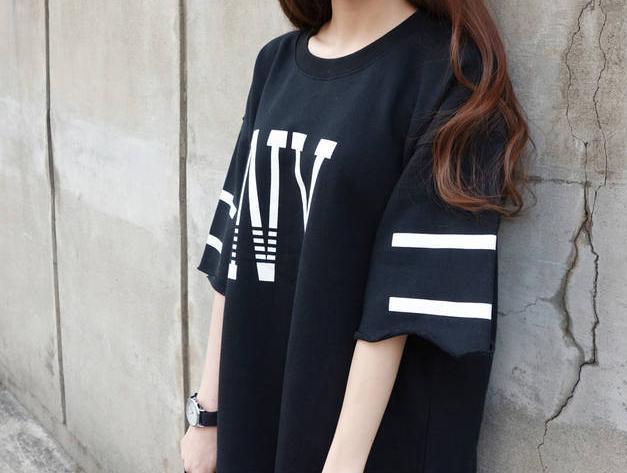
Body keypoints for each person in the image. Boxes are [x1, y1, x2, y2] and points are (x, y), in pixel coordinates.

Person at [181, 0, 528, 471]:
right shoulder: (275, 63)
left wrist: (343, 463)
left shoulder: (452, 72)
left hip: (370, 438)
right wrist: (207, 413)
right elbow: (237, 239)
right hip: (255, 411)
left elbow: (405, 298)